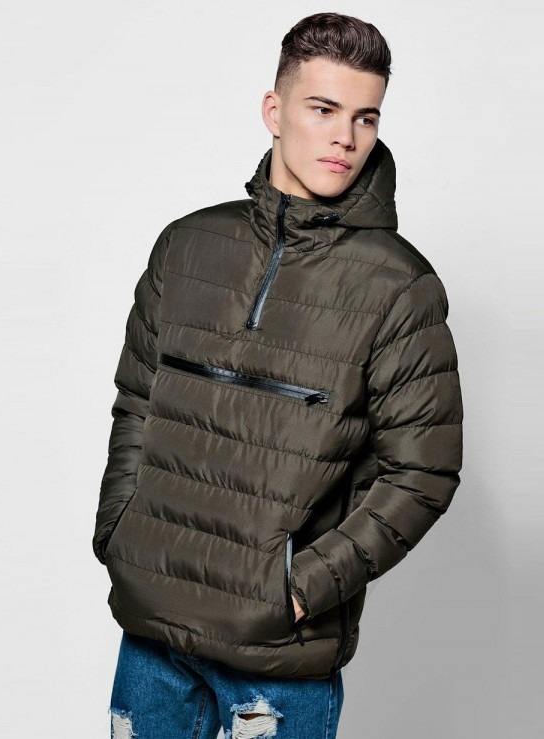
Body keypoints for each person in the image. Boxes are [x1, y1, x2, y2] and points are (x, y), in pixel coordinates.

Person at [92, 11, 464, 739]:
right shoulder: (186, 245)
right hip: (151, 636)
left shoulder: (399, 286)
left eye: (364, 117)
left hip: (276, 659)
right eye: (323, 109)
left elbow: (423, 472)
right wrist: (120, 537)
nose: (345, 137)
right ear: (274, 110)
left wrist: (298, 590)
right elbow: (137, 402)